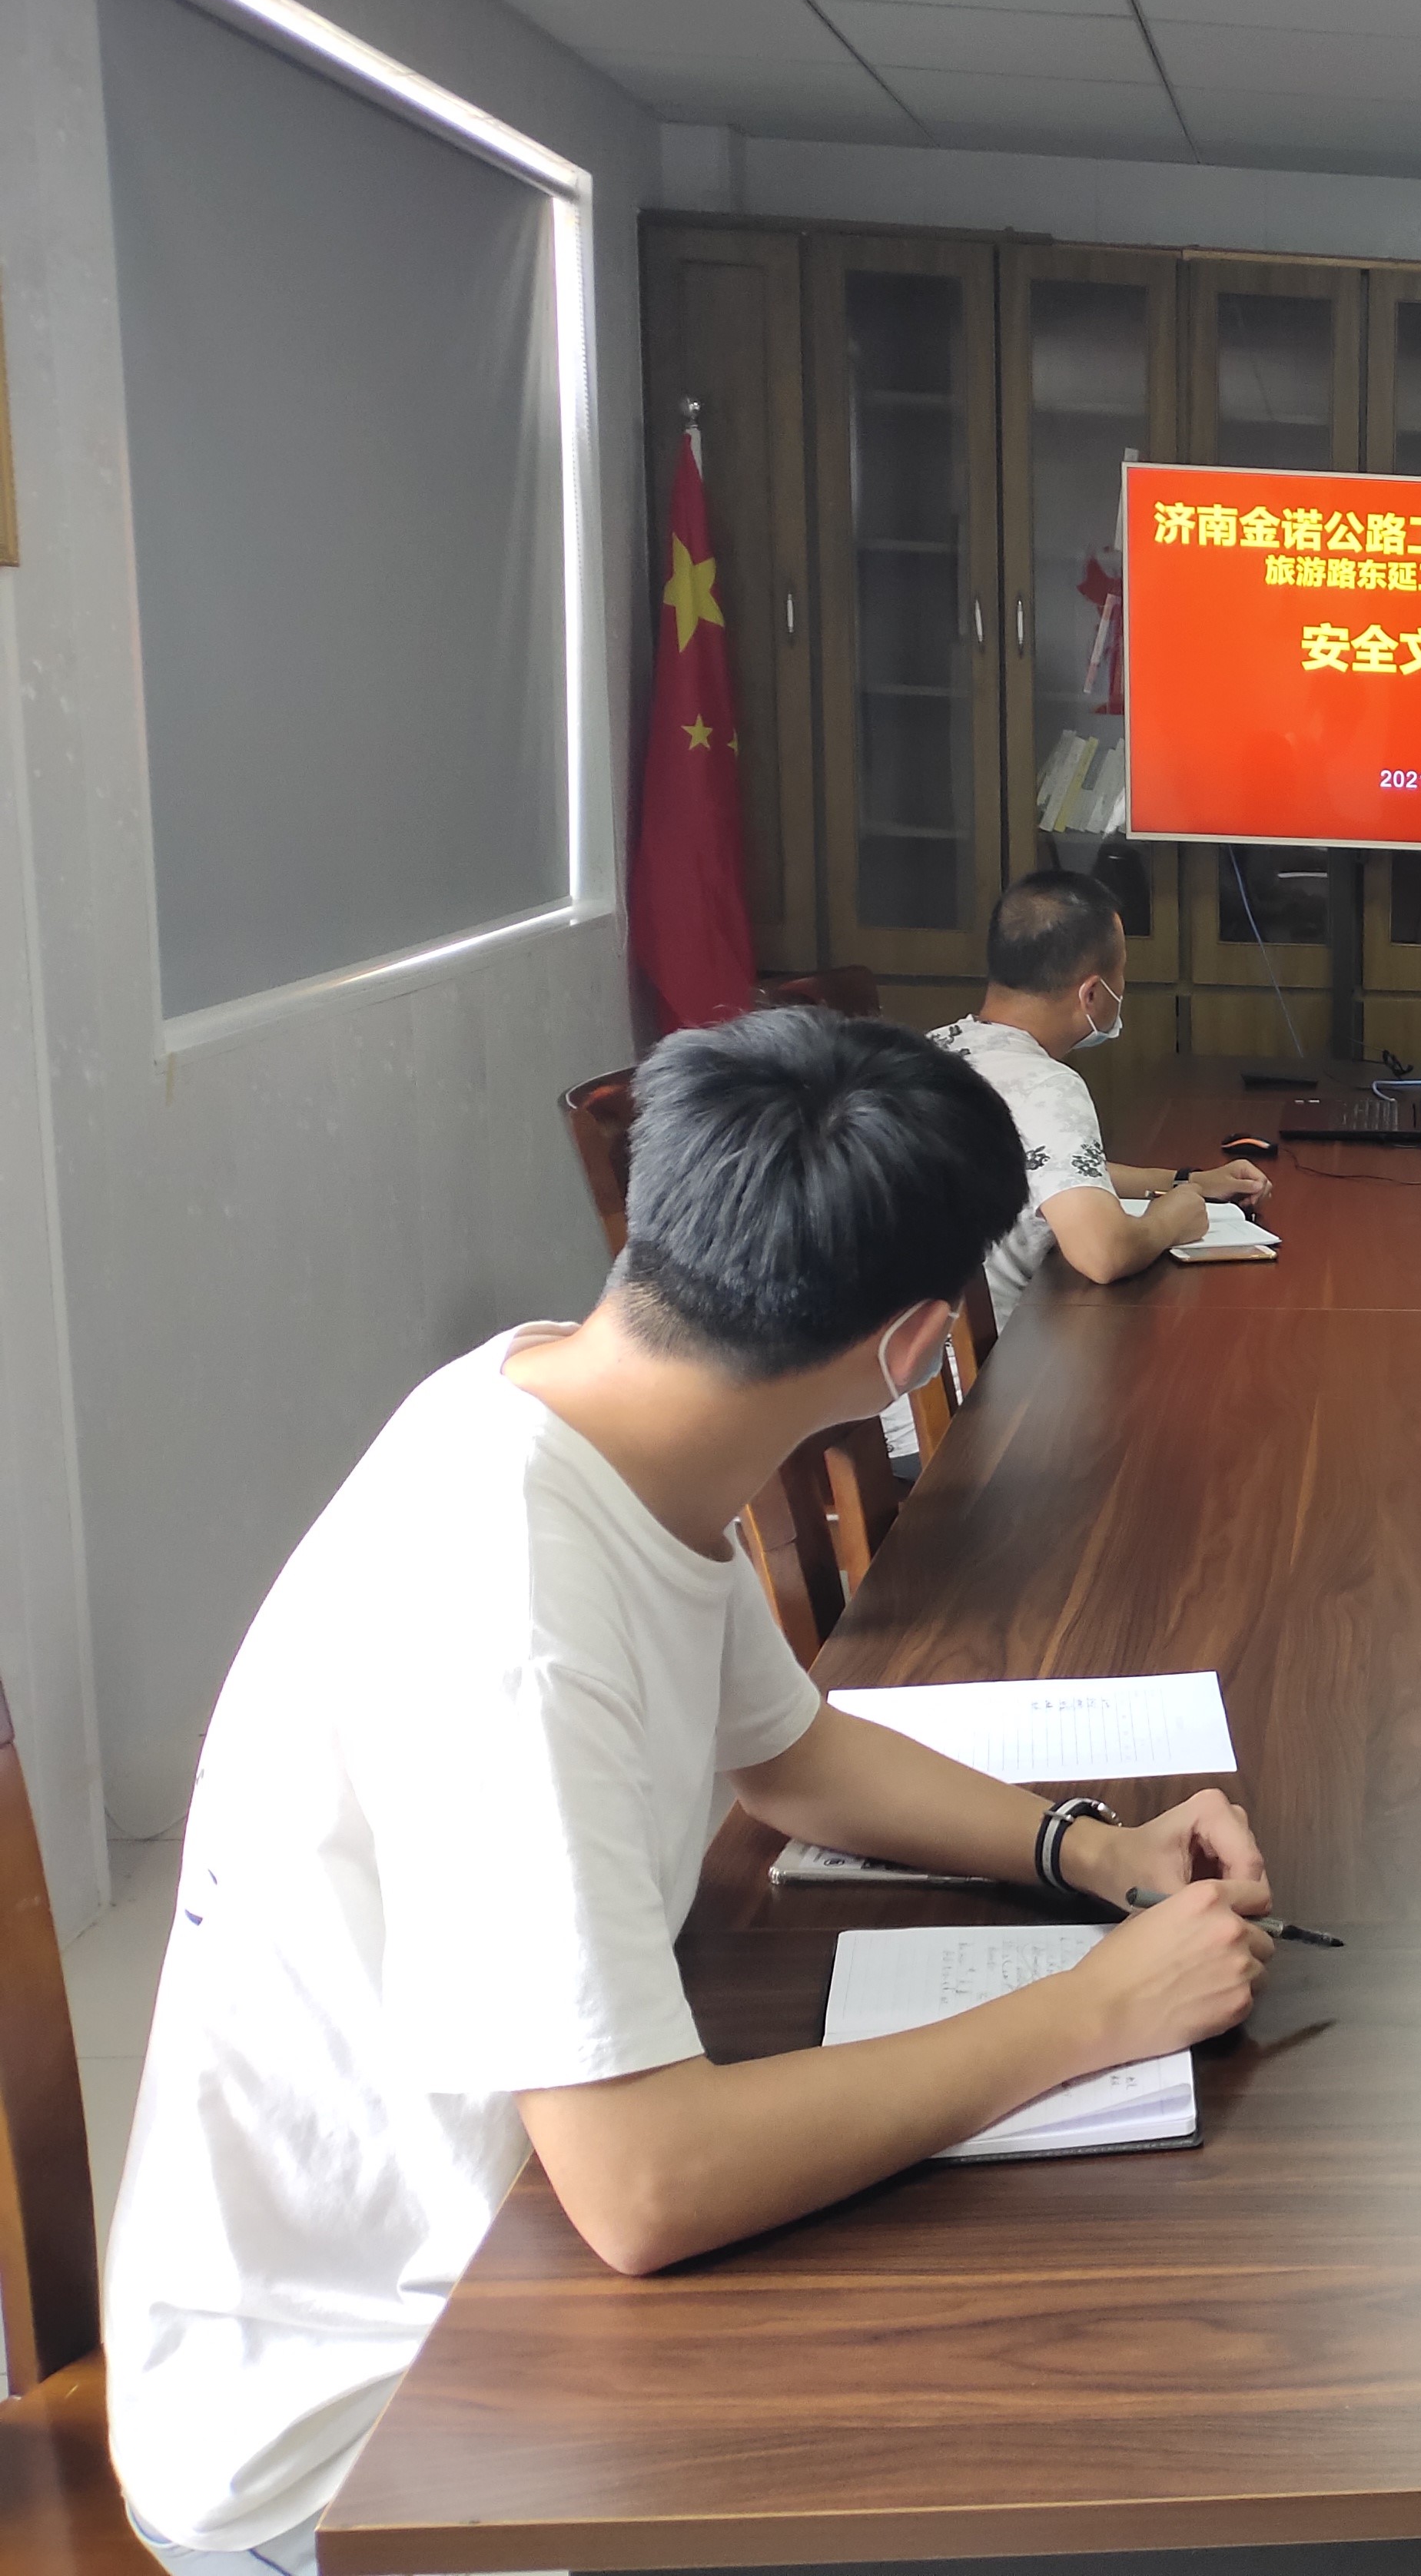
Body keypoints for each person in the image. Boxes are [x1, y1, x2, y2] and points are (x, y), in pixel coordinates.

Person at [106, 1008, 1280, 2575]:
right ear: (913, 1346)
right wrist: (1092, 2015)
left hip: (500, 2271)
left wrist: (1092, 1851)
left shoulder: (585, 1400)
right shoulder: (510, 1606)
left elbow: (787, 1751)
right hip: (359, 2443)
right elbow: (646, 2187)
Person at [934, 869, 1273, 1330]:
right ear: (1092, 994)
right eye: (1122, 972)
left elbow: (1054, 1168)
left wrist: (1187, 1180)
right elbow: (1104, 1253)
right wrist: (1170, 1219)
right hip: (1005, 1364)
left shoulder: (933, 1051)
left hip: (915, 1364)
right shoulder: (1046, 1086)